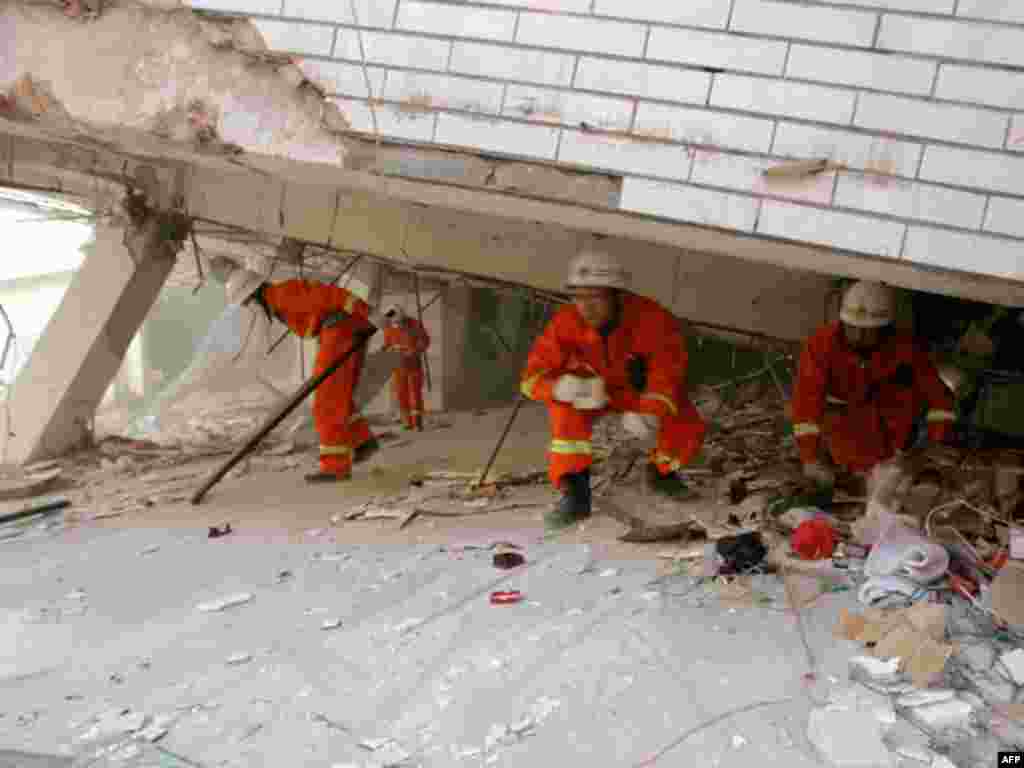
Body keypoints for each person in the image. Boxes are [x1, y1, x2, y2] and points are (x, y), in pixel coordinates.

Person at [520, 248, 707, 528]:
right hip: (591, 393)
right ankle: (575, 493)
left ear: (617, 295)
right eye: (579, 297)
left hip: (638, 393)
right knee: (563, 411)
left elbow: (668, 373)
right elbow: (531, 378)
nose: (586, 307)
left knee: (686, 424)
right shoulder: (565, 322)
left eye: (595, 297)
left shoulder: (651, 319)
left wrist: (651, 411)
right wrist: (558, 388)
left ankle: (662, 473)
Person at [225, 267, 390, 483]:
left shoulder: (283, 295)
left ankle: (335, 467)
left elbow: (332, 294)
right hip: (341, 330)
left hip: (338, 332)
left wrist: (369, 312)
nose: (249, 308)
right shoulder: (279, 299)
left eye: (247, 303)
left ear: (254, 295)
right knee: (337, 395)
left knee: (326, 402)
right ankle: (362, 442)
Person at [791, 280, 956, 490]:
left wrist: (933, 444)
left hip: (896, 452)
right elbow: (806, 405)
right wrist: (810, 459)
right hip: (841, 450)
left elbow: (941, 401)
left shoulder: (907, 350)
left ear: (884, 329)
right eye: (852, 328)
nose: (858, 336)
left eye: (866, 330)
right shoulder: (820, 346)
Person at [381, 304, 430, 431]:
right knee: (401, 393)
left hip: (413, 364)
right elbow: (387, 344)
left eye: (399, 322)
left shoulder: (414, 324)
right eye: (394, 322)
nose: (397, 325)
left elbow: (424, 340)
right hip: (398, 366)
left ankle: (417, 422)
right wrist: (386, 350)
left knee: (415, 392)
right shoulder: (389, 328)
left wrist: (414, 351)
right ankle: (406, 422)